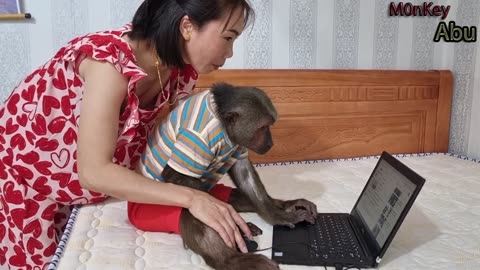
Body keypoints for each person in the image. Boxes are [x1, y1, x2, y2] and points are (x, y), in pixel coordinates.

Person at [0, 0, 254, 268]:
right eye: (228, 37)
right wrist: (192, 198)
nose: (230, 53)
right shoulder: (107, 63)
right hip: (23, 181)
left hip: (77, 190)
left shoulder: (179, 70)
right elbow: (94, 172)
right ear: (187, 26)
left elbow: (167, 145)